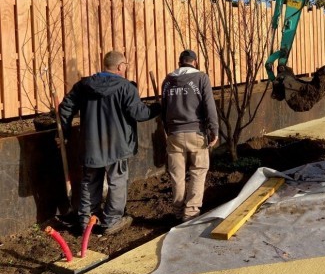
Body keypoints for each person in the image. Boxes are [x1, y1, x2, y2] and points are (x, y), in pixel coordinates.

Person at [59, 51, 161, 235]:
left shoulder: (83, 86)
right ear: (120, 66)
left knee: (90, 181)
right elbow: (139, 114)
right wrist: (158, 107)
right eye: (126, 65)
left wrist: (64, 132)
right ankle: (111, 221)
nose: (126, 68)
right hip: (117, 146)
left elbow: (66, 107)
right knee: (117, 182)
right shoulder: (126, 88)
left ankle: (85, 220)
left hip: (91, 145)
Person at [161, 49, 219, 222]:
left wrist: (167, 129)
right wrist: (214, 129)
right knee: (198, 171)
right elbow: (209, 106)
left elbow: (164, 109)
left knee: (177, 175)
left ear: (180, 62)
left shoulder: (168, 81)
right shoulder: (201, 78)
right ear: (194, 62)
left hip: (174, 134)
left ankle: (178, 212)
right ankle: (191, 213)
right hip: (196, 133)